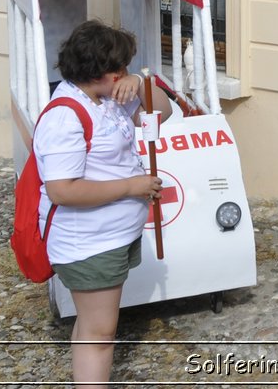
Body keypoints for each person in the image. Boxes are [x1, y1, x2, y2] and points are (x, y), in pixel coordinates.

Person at [33, 19, 168, 387]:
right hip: (88, 241)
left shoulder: (104, 100)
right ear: (99, 71)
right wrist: (130, 186)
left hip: (109, 235)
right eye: (120, 67)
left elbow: (163, 114)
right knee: (100, 333)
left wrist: (141, 83)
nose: (124, 72)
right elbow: (63, 189)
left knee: (92, 325)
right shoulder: (65, 115)